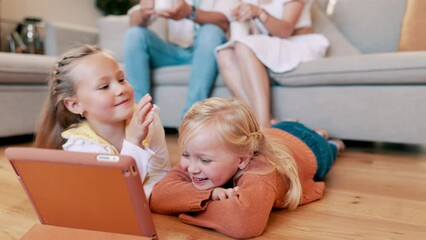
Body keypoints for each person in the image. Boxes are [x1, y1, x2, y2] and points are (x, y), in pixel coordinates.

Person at [149, 97, 344, 238]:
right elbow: (158, 196)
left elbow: (244, 223)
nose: (191, 168)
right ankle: (308, 129)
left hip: (310, 148)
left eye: (205, 161)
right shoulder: (199, 153)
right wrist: (211, 194)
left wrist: (183, 209)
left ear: (242, 160)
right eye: (185, 155)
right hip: (275, 133)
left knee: (330, 148)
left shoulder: (261, 170)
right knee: (276, 132)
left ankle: (330, 141)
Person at [34, 45, 171, 197]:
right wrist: (134, 141)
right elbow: (115, 193)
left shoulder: (149, 120)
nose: (120, 89)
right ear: (75, 105)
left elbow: (160, 173)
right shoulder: (79, 144)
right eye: (104, 86)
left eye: (121, 79)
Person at [216, 0, 329, 128]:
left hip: (297, 42)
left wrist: (259, 12)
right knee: (224, 53)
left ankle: (263, 127)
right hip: (270, 44)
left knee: (243, 46)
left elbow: (285, 30)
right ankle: (264, 121)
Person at [124, 0, 237, 116]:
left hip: (208, 54)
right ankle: (139, 114)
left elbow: (224, 22)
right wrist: (144, 11)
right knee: (134, 35)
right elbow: (133, 21)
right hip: (175, 52)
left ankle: (191, 118)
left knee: (210, 30)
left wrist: (189, 12)